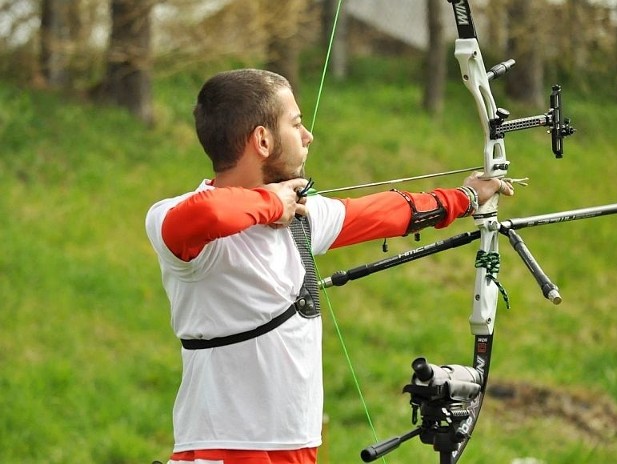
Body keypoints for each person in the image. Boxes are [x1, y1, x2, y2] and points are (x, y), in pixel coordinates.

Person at [145, 68, 514, 464]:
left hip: (297, 448)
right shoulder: (174, 220)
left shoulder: (301, 218)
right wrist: (272, 203)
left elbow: (382, 213)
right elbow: (210, 214)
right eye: (296, 124)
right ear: (263, 140)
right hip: (226, 448)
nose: (308, 137)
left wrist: (464, 197)